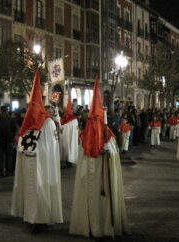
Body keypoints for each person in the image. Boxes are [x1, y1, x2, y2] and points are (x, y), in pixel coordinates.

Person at [70, 78, 130, 238]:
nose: (93, 124)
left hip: (103, 181)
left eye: (96, 120)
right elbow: (81, 157)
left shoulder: (108, 136)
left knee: (101, 203)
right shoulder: (84, 138)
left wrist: (108, 151)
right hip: (89, 178)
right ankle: (89, 225)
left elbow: (113, 156)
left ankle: (103, 227)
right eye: (91, 120)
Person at [11, 70, 63, 234]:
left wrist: (39, 153)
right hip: (30, 164)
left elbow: (51, 147)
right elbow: (22, 143)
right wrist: (23, 151)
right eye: (30, 106)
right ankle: (31, 217)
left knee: (41, 190)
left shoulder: (47, 123)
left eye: (34, 106)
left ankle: (42, 220)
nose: (31, 109)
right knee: (31, 191)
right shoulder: (27, 124)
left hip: (42, 165)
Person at [0, 105, 16, 176]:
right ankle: (8, 171)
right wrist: (12, 136)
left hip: (0, 140)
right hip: (9, 140)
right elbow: (14, 129)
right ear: (7, 111)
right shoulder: (11, 119)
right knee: (9, 156)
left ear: (1, 110)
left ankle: (0, 171)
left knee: (0, 156)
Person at [60, 97, 79, 167]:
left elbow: (62, 128)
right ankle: (69, 161)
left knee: (67, 148)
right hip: (70, 138)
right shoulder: (74, 120)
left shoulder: (68, 120)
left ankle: (68, 161)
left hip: (67, 137)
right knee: (69, 148)